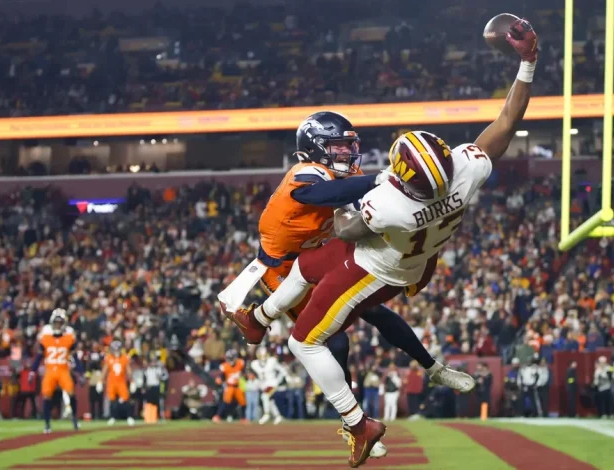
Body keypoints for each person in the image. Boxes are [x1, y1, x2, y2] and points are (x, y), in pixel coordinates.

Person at [233, 16, 537, 467]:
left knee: (304, 343)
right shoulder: (465, 170)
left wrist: (353, 195)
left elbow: (346, 229)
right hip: (415, 255)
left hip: (377, 269)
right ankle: (258, 318)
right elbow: (508, 120)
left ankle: (358, 424)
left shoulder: (391, 203)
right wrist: (528, 63)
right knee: (307, 265)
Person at [218, 110, 474, 457]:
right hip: (281, 265)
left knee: (375, 311)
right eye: (337, 147)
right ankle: (354, 422)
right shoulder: (304, 173)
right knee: (332, 340)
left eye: (349, 146)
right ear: (315, 149)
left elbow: (358, 208)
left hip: (316, 252)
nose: (347, 153)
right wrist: (380, 179)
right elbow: (323, 195)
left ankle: (433, 368)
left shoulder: (348, 174)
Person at [30, 309, 81, 433]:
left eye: (59, 323)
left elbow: (74, 356)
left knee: (71, 393)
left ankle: (74, 419)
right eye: (56, 322)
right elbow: (39, 355)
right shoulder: (46, 336)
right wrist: (32, 370)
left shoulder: (69, 336)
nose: (57, 325)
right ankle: (47, 424)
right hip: (50, 370)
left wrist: (80, 371)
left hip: (63, 370)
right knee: (47, 396)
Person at [102, 341, 134, 426]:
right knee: (112, 401)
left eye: (117, 349)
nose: (116, 351)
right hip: (111, 382)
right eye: (114, 349)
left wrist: (132, 381)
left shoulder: (124, 357)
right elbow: (105, 370)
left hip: (121, 382)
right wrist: (100, 381)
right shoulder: (109, 358)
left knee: (125, 399)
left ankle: (129, 417)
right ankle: (113, 417)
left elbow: (128, 370)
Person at [251, 346, 284, 425]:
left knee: (264, 396)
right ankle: (278, 416)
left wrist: (278, 380)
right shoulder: (254, 364)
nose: (263, 357)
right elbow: (254, 375)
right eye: (261, 355)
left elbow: (282, 370)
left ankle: (266, 414)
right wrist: (257, 382)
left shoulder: (272, 361)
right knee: (270, 401)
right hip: (264, 385)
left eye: (264, 355)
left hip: (272, 383)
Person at [212, 350, 246, 423]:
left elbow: (244, 372)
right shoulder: (225, 366)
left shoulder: (240, 363)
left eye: (231, 358)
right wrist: (219, 379)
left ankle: (243, 418)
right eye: (229, 358)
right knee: (226, 401)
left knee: (243, 402)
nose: (230, 360)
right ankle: (217, 416)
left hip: (238, 386)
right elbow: (222, 376)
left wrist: (243, 375)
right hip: (229, 386)